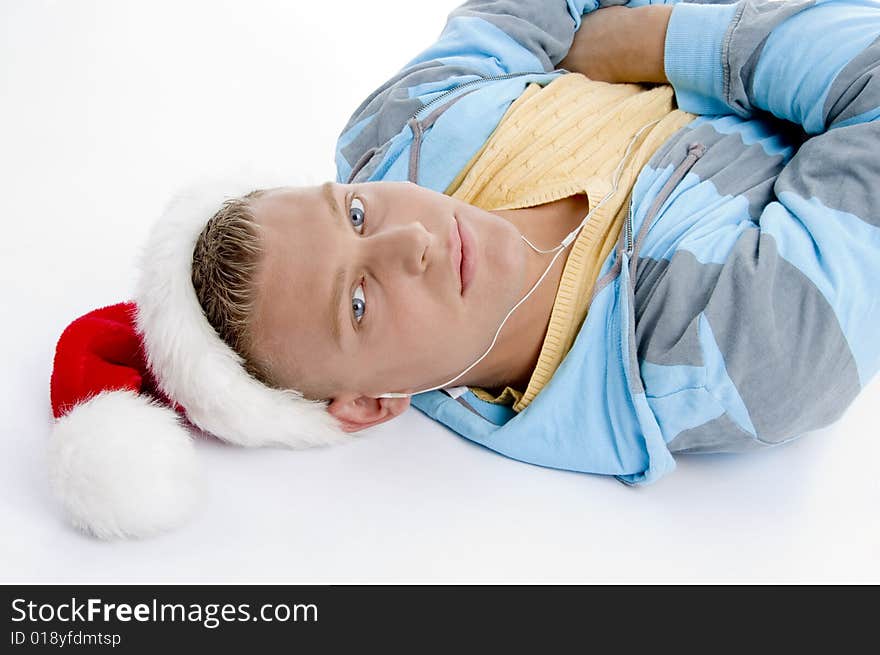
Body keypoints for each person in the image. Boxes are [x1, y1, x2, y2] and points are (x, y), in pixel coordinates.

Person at [49, 0, 880, 539]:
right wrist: (664, 39)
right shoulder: (731, 356)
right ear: (371, 405)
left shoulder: (402, 127)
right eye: (361, 303)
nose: (408, 241)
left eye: (356, 213)